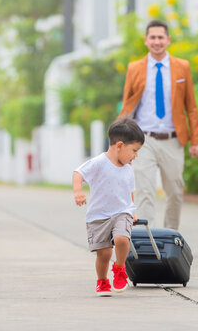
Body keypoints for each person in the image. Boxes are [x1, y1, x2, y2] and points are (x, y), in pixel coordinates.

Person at [119, 19, 198, 230]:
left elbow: (191, 107)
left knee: (175, 191)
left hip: (172, 139)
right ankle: (146, 240)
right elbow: (127, 104)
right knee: (145, 191)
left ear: (168, 40)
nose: (157, 41)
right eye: (153, 37)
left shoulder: (181, 67)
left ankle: (170, 237)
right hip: (142, 140)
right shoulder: (135, 68)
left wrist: (197, 141)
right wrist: (121, 139)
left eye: (160, 37)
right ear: (146, 40)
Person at [72, 117, 144, 296]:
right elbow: (78, 173)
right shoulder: (98, 162)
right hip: (99, 215)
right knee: (103, 254)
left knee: (121, 239)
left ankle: (120, 268)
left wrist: (132, 210)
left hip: (122, 212)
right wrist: (78, 191)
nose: (135, 156)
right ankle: (102, 281)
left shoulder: (128, 168)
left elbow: (130, 191)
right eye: (134, 150)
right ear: (119, 145)